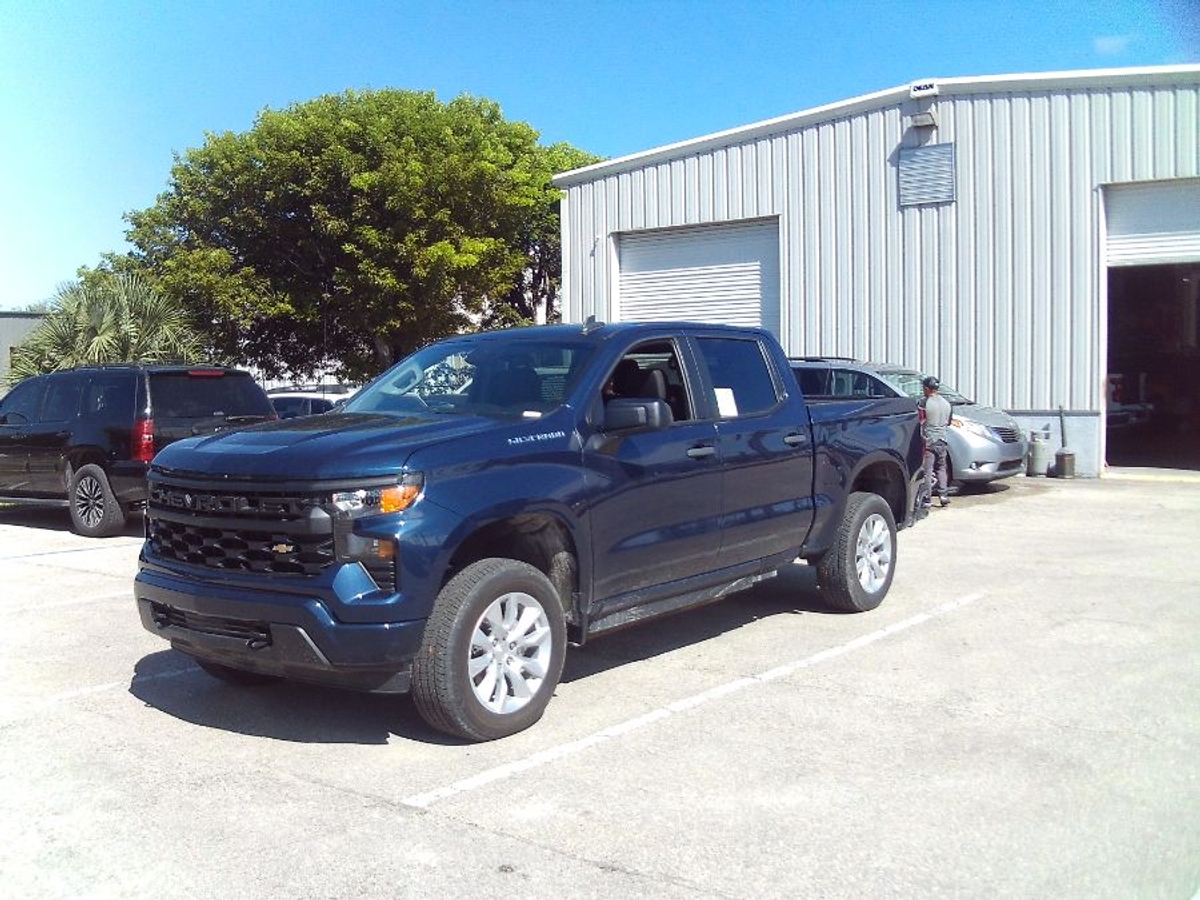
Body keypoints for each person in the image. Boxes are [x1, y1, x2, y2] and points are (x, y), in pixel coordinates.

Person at [921, 375, 953, 507]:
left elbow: (920, 420)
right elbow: (949, 422)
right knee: (941, 468)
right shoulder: (947, 403)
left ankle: (927, 499)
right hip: (942, 440)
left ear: (927, 388)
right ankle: (943, 495)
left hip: (929, 441)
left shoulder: (924, 403)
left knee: (927, 471)